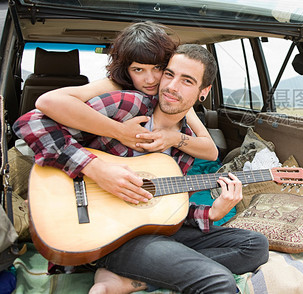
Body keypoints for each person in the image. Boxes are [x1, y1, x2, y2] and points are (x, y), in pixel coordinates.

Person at [14, 44, 270, 293]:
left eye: (187, 81)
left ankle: (133, 281)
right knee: (218, 281)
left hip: (148, 231)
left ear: (204, 92)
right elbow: (31, 123)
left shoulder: (187, 142)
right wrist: (96, 168)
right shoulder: (128, 105)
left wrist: (211, 213)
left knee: (255, 245)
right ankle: (141, 268)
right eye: (169, 74)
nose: (171, 86)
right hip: (105, 234)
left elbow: (164, 208)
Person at [35, 21, 218, 164]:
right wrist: (120, 132)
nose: (151, 80)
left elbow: (210, 150)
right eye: (138, 70)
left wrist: (174, 138)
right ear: (126, 71)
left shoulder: (172, 96)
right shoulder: (116, 86)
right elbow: (48, 102)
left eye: (159, 68)